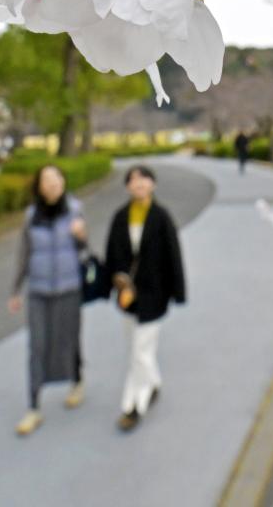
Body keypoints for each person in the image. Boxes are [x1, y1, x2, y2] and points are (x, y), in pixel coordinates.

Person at [104, 165, 186, 432]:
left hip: (155, 294)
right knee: (138, 349)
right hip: (128, 296)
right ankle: (154, 382)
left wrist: (178, 292)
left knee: (139, 352)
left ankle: (133, 406)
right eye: (133, 180)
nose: (139, 184)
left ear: (153, 184)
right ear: (127, 186)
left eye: (144, 179)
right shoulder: (120, 217)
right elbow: (112, 255)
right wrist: (112, 285)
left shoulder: (161, 217)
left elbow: (174, 255)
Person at [8, 164, 87, 436]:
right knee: (37, 345)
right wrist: (16, 290)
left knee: (69, 338)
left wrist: (81, 236)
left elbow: (84, 250)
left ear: (63, 183)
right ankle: (33, 407)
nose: (53, 184)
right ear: (39, 187)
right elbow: (24, 252)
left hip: (69, 287)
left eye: (57, 178)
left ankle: (77, 381)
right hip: (39, 291)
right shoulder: (31, 216)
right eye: (47, 180)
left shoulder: (75, 210)